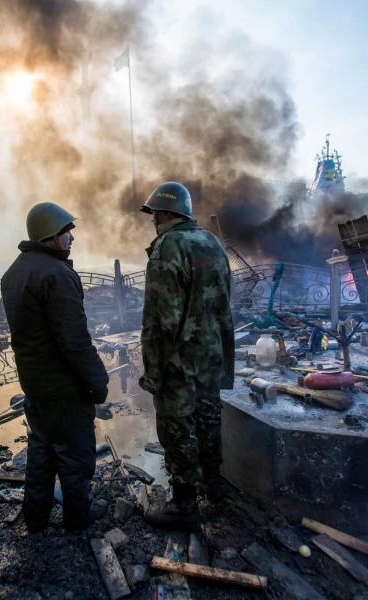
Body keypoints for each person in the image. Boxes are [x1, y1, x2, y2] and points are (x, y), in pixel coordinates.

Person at [1, 202, 110, 533]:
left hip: (35, 384)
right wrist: (98, 381)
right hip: (65, 388)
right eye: (66, 231)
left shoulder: (15, 271)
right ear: (50, 235)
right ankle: (77, 520)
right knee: (75, 457)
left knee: (42, 450)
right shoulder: (56, 275)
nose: (71, 236)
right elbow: (74, 342)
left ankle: (36, 518)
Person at [138, 182, 235, 532]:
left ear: (166, 213)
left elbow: (161, 320)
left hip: (179, 360)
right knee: (209, 419)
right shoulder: (212, 242)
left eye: (154, 214)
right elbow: (225, 302)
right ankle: (214, 488)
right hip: (212, 355)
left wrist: (153, 372)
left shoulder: (168, 246)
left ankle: (184, 505)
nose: (153, 221)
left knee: (178, 428)